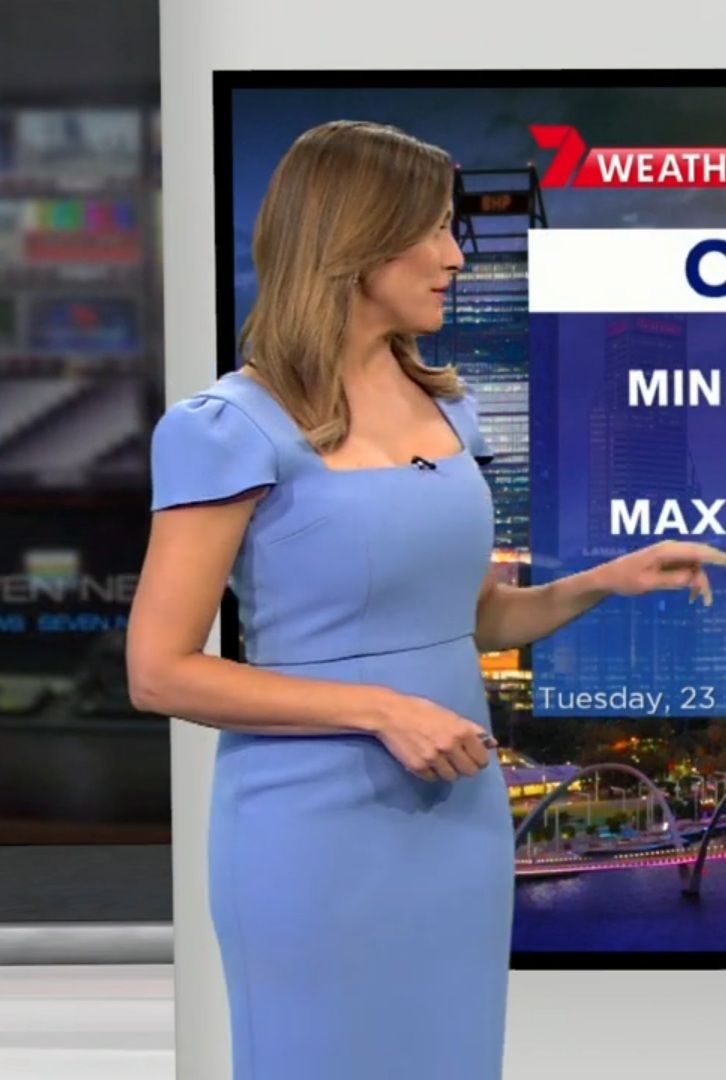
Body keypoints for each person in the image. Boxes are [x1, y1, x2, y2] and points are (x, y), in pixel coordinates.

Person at [126, 119, 726, 1080]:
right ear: (355, 239)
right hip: (311, 830)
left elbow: (473, 622)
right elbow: (160, 673)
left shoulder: (450, 408)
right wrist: (381, 709)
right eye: (435, 229)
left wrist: (606, 580)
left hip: (458, 819)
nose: (455, 255)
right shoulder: (226, 428)